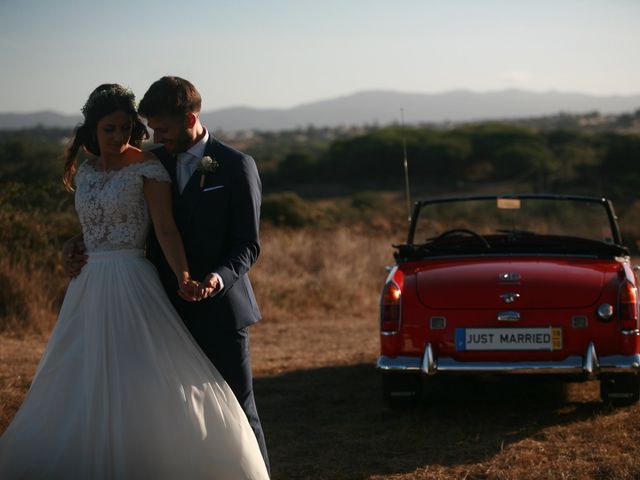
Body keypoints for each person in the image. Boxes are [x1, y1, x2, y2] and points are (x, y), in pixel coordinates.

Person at [0, 84, 269, 479]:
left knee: (235, 408)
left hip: (217, 307)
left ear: (190, 120)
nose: (152, 137)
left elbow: (247, 244)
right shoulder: (149, 160)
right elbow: (117, 219)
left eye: (161, 130)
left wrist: (212, 279)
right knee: (144, 404)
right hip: (152, 300)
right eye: (149, 130)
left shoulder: (234, 165)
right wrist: (77, 244)